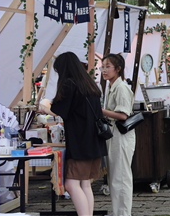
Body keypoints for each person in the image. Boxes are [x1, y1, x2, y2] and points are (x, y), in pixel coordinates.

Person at [39, 52, 107, 216]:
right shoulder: (89, 84)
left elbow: (59, 111)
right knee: (85, 184)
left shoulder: (70, 84)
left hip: (81, 143)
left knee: (71, 184)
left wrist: (44, 107)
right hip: (95, 142)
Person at [100, 53, 136, 216]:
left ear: (118, 69)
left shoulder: (121, 87)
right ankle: (119, 212)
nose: (104, 70)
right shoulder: (112, 86)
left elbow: (123, 114)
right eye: (103, 67)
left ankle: (122, 213)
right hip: (115, 135)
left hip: (121, 135)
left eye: (108, 66)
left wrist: (101, 111)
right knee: (115, 177)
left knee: (120, 178)